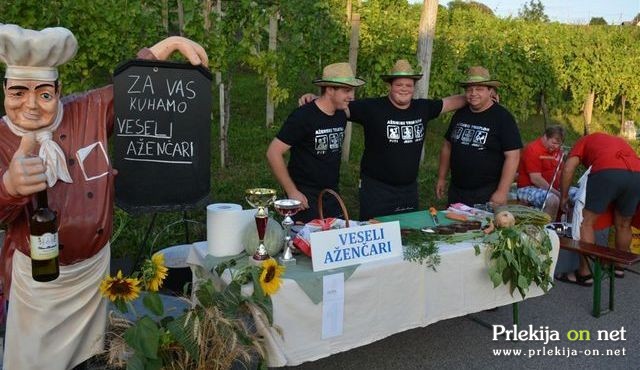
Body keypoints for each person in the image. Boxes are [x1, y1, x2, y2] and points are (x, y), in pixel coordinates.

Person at [0, 24, 208, 369]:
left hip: (92, 273)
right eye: (18, 93)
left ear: (58, 89)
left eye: (44, 94)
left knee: (89, 355)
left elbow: (133, 89)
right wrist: (8, 187)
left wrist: (169, 44)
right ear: (4, 90)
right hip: (39, 284)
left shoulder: (89, 109)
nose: (31, 106)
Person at [300, 59, 466, 220]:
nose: (404, 89)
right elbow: (334, 103)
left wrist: (474, 97)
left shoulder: (422, 108)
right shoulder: (372, 108)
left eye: (408, 85)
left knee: (406, 237)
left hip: (408, 190)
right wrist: (314, 98)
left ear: (414, 87)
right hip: (376, 189)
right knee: (375, 237)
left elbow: (450, 102)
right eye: (399, 85)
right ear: (390, 86)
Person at [267, 62, 364, 223]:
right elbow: (273, 152)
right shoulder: (303, 116)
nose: (352, 96)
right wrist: (292, 191)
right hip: (304, 196)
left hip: (331, 194)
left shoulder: (341, 113)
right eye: (347, 90)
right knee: (305, 245)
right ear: (330, 89)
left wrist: (315, 96)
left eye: (353, 90)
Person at [557, 132, 640, 286]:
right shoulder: (615, 141)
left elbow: (568, 168)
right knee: (624, 223)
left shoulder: (583, 141)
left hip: (608, 171)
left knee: (585, 221)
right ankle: (619, 266)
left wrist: (563, 197)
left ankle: (584, 273)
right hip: (637, 173)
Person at [436, 66, 522, 207]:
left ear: (490, 91)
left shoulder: (502, 117)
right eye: (469, 89)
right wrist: (441, 178)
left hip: (486, 192)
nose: (473, 93)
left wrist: (502, 191)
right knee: (455, 227)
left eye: (479, 89)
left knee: (481, 229)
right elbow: (447, 146)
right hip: (457, 190)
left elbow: (513, 156)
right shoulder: (460, 114)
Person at [516, 125, 578, 218]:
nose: (556, 146)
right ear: (545, 136)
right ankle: (547, 230)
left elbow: (562, 172)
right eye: (553, 143)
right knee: (553, 200)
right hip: (528, 188)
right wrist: (559, 194)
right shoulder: (533, 149)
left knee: (578, 196)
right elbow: (536, 179)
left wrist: (564, 191)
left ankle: (569, 229)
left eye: (558, 144)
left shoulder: (556, 150)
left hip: (553, 187)